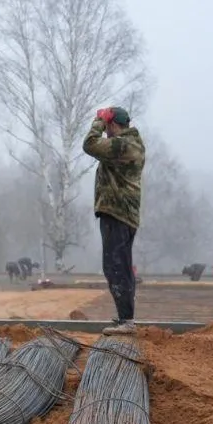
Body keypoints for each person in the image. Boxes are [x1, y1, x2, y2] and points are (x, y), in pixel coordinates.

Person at [83, 106, 145, 336]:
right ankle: (125, 318)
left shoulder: (123, 145)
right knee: (121, 265)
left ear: (112, 125)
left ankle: (126, 321)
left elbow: (89, 144)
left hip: (117, 213)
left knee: (115, 265)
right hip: (122, 214)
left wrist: (98, 121)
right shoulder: (129, 144)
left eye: (107, 126)